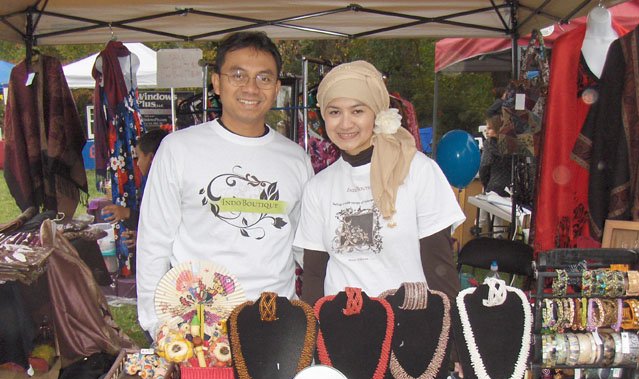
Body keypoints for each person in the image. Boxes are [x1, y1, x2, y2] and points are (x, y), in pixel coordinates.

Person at [136, 31, 313, 338]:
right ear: (217, 83)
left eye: (264, 78)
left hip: (275, 323)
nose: (251, 88)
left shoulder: (296, 158)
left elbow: (305, 246)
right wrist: (156, 325)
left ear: (276, 89)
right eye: (238, 75)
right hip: (197, 327)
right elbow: (154, 241)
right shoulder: (179, 149)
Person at [294, 60, 465, 304]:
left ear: (376, 113)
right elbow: (313, 275)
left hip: (410, 328)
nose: (345, 123)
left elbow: (439, 266)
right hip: (341, 331)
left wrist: (451, 333)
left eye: (357, 111)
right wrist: (312, 336)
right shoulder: (318, 187)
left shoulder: (418, 171)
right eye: (334, 112)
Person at [102, 128, 168, 238]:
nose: (137, 163)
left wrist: (127, 213)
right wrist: (140, 237)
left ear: (151, 158)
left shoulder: (164, 186)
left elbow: (159, 223)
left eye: (139, 157)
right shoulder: (150, 181)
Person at [478, 114, 511, 237]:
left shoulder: (489, 144)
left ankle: (481, 230)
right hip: (510, 189)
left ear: (497, 129)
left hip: (494, 187)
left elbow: (484, 166)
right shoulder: (511, 144)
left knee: (494, 222)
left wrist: (486, 184)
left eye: (490, 128)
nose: (486, 131)